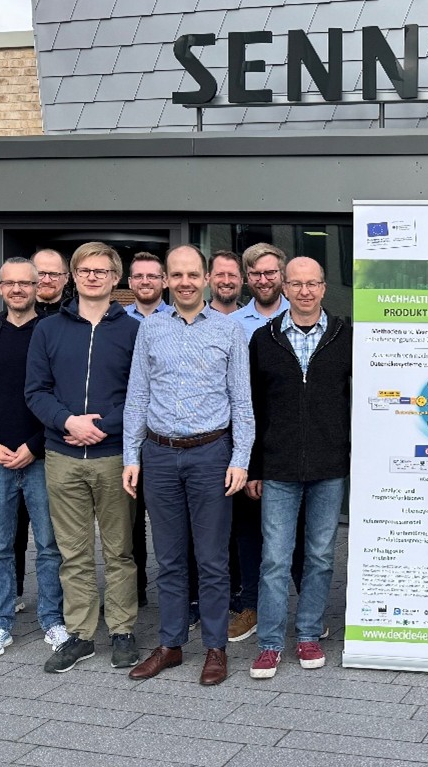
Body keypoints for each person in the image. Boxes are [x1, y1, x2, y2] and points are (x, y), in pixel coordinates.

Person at [123, 244, 254, 686]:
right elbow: (137, 395)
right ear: (165, 280)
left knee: (213, 560)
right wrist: (131, 455)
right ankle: (171, 644)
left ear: (206, 279)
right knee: (170, 558)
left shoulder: (229, 330)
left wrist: (240, 458)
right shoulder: (150, 329)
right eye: (176, 275)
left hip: (210, 454)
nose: (184, 282)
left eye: (192, 274)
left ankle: (215, 648)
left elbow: (242, 401)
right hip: (159, 455)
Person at [26, 241, 141, 674]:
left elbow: (141, 394)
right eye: (85, 270)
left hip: (114, 456)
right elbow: (35, 390)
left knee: (120, 551)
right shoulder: (48, 329)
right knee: (72, 553)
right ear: (74, 277)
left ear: (116, 278)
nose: (93, 277)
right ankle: (80, 634)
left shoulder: (134, 331)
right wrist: (68, 422)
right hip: (62, 456)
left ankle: (123, 630)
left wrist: (103, 426)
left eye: (102, 271)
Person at [246, 256, 352, 680]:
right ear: (284, 289)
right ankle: (270, 644)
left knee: (321, 556)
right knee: (274, 558)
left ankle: (308, 633)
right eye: (296, 284)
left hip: (329, 464)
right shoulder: (263, 339)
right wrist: (254, 466)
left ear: (323, 287)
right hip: (278, 466)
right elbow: (252, 408)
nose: (304, 291)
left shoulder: (346, 337)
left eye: (312, 283)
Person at [0, 258, 69, 659]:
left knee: (49, 545)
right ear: (0, 288)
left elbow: (60, 397)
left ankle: (52, 619)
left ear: (37, 286)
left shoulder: (52, 332)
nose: (17, 289)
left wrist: (34, 445)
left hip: (41, 455)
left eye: (25, 283)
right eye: (9, 283)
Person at [226, 242, 300, 644]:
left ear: (282, 276)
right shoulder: (234, 324)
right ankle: (251, 605)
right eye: (255, 274)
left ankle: (306, 612)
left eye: (270, 272)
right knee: (250, 530)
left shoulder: (303, 315)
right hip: (248, 441)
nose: (264, 279)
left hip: (293, 442)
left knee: (300, 533)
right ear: (246, 279)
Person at [123, 251, 169, 608]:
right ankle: (134, 591)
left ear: (164, 281)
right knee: (130, 522)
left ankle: (183, 595)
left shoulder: (179, 319)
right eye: (139, 276)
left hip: (167, 435)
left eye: (152, 276)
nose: (145, 281)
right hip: (130, 432)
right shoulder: (118, 321)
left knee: (173, 522)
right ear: (129, 282)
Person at [208, 249, 244, 315]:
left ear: (241, 280)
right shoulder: (193, 319)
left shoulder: (255, 320)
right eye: (220, 275)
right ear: (208, 278)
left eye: (232, 275)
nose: (226, 282)